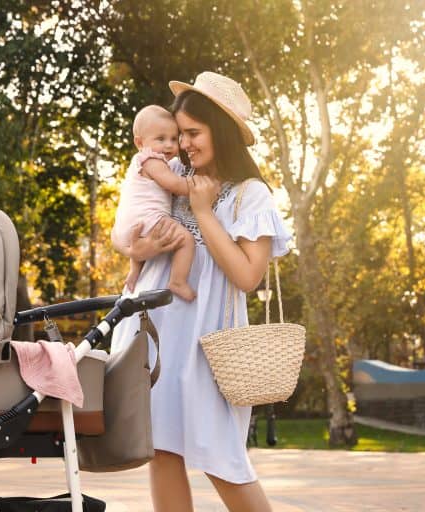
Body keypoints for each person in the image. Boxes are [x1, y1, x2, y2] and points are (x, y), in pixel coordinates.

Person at [110, 71, 291, 512]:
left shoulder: (251, 195)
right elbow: (129, 228)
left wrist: (203, 211)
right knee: (162, 450)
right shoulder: (169, 170)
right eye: (179, 133)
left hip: (211, 341)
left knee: (223, 459)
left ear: (221, 132)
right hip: (156, 330)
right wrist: (142, 245)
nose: (182, 143)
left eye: (193, 133)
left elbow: (248, 277)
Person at [112, 105, 196, 301]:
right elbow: (175, 184)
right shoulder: (152, 161)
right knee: (186, 240)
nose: (169, 145)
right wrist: (197, 185)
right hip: (147, 219)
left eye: (174, 139)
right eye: (161, 139)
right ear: (140, 143)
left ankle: (134, 273)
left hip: (130, 224)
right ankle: (177, 281)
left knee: (142, 237)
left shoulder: (139, 162)